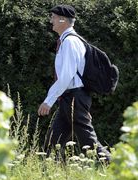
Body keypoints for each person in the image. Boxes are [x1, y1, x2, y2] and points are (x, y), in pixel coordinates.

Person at [37, 4, 111, 163]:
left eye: (54, 17)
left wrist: (48, 101)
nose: (51, 21)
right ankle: (49, 177)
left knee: (90, 143)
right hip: (70, 99)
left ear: (63, 20)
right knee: (52, 142)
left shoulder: (70, 42)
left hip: (74, 99)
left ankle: (118, 169)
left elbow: (65, 77)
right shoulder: (67, 41)